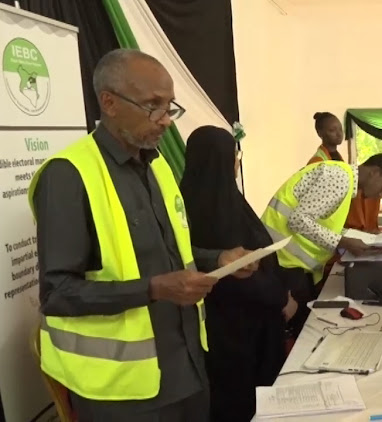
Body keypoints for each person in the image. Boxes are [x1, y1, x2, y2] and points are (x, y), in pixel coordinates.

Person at [29, 49, 257, 422]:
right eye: (154, 105)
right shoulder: (68, 175)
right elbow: (56, 294)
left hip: (188, 368)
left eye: (170, 107)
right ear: (110, 102)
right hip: (121, 393)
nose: (166, 120)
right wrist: (153, 289)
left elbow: (170, 256)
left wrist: (217, 260)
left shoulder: (158, 167)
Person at [180, 126, 298, 421]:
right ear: (222, 159)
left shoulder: (217, 199)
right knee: (240, 405)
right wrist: (281, 299)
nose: (237, 162)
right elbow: (234, 275)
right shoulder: (211, 209)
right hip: (234, 334)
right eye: (235, 155)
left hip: (249, 326)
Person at [260, 154, 382, 324]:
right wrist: (344, 241)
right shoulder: (340, 178)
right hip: (281, 262)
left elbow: (322, 223)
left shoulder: (345, 181)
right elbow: (298, 220)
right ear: (375, 172)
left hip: (290, 263)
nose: (381, 194)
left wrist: (356, 236)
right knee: (299, 328)